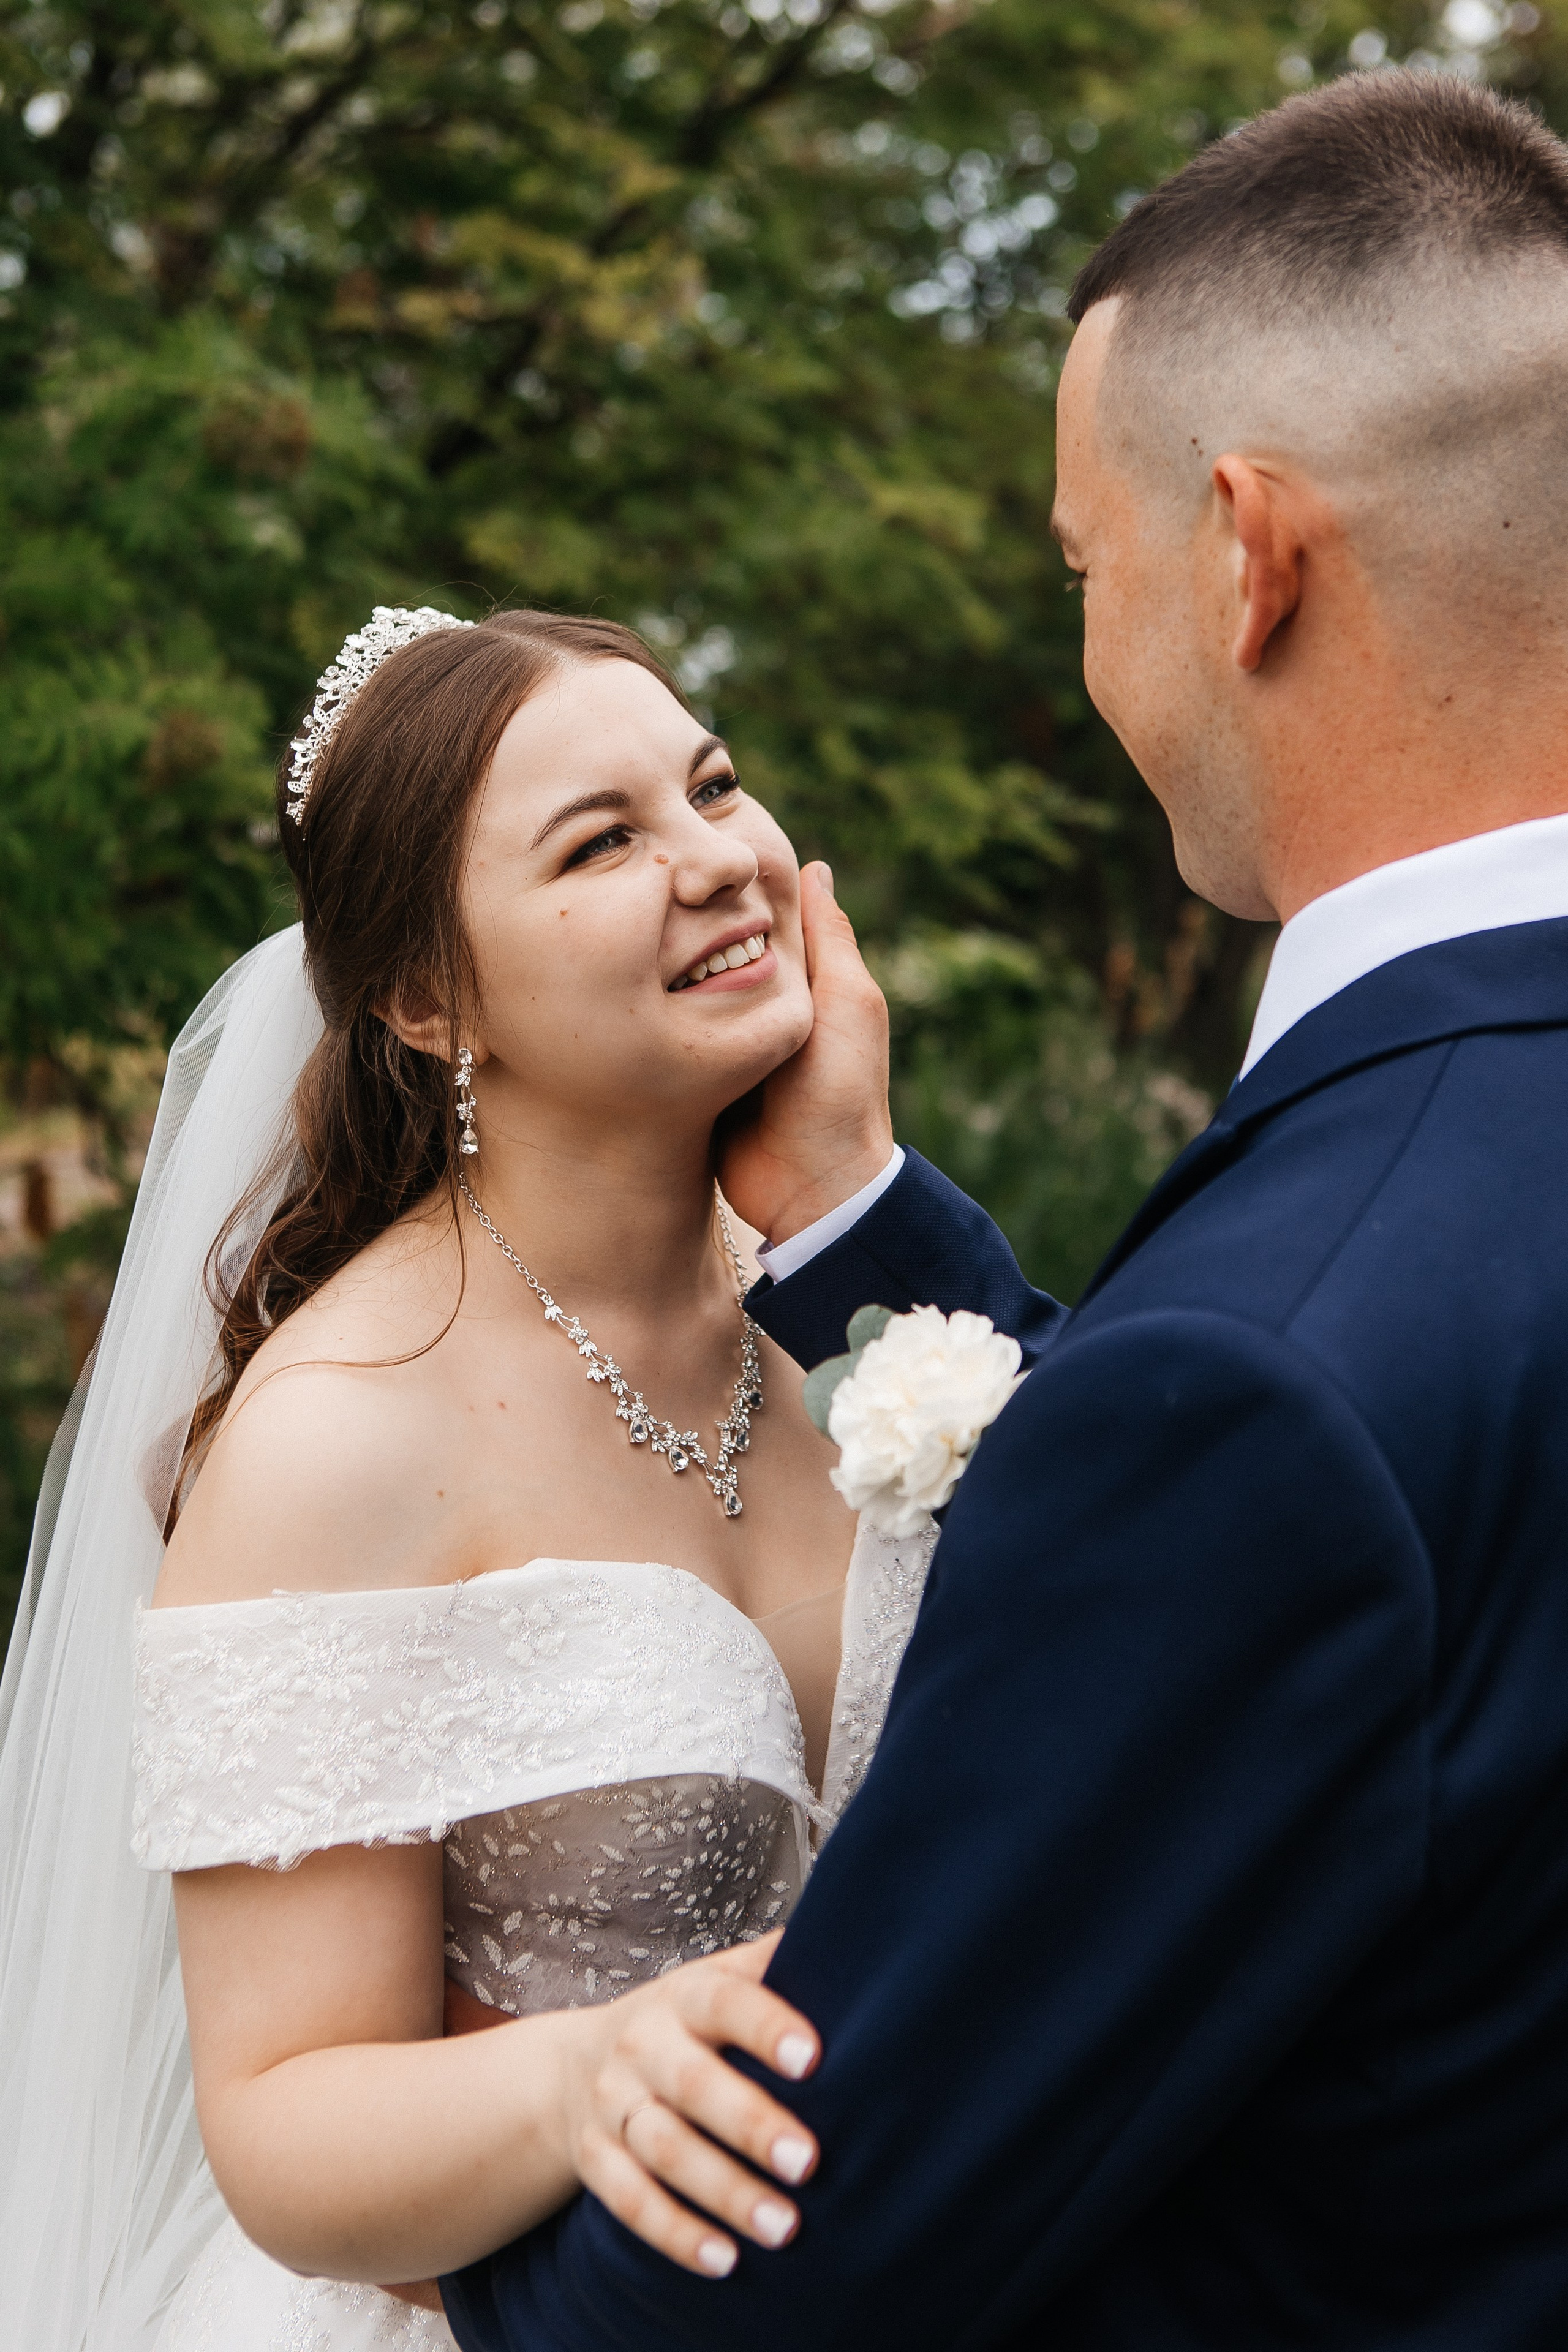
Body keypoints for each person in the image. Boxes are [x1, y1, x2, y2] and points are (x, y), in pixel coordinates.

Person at [440, 70, 1568, 2352]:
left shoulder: (1265, 1387)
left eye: (1086, 568)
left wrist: (415, 2223)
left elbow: (786, 2287)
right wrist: (862, 1213)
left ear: (1248, 554)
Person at [0, 606, 936, 2350]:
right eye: (604, 842)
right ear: (429, 1000)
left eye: (712, 786)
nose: (719, 861)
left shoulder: (868, 1311)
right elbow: (281, 2118)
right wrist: (595, 2076)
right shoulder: (341, 1434)